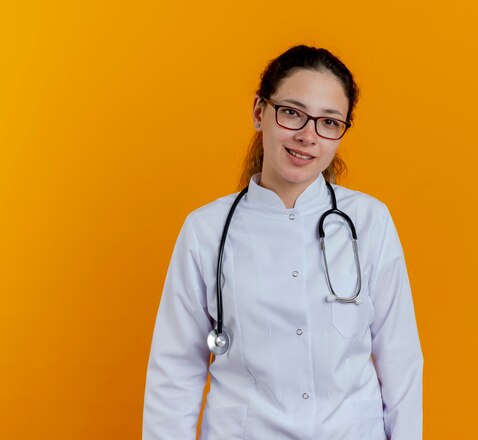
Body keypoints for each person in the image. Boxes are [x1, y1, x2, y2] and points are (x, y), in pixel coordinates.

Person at [143, 45, 424, 440]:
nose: (308, 136)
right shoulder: (206, 231)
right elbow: (174, 371)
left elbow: (400, 359)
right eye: (292, 112)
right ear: (260, 112)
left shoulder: (370, 222)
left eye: (329, 122)